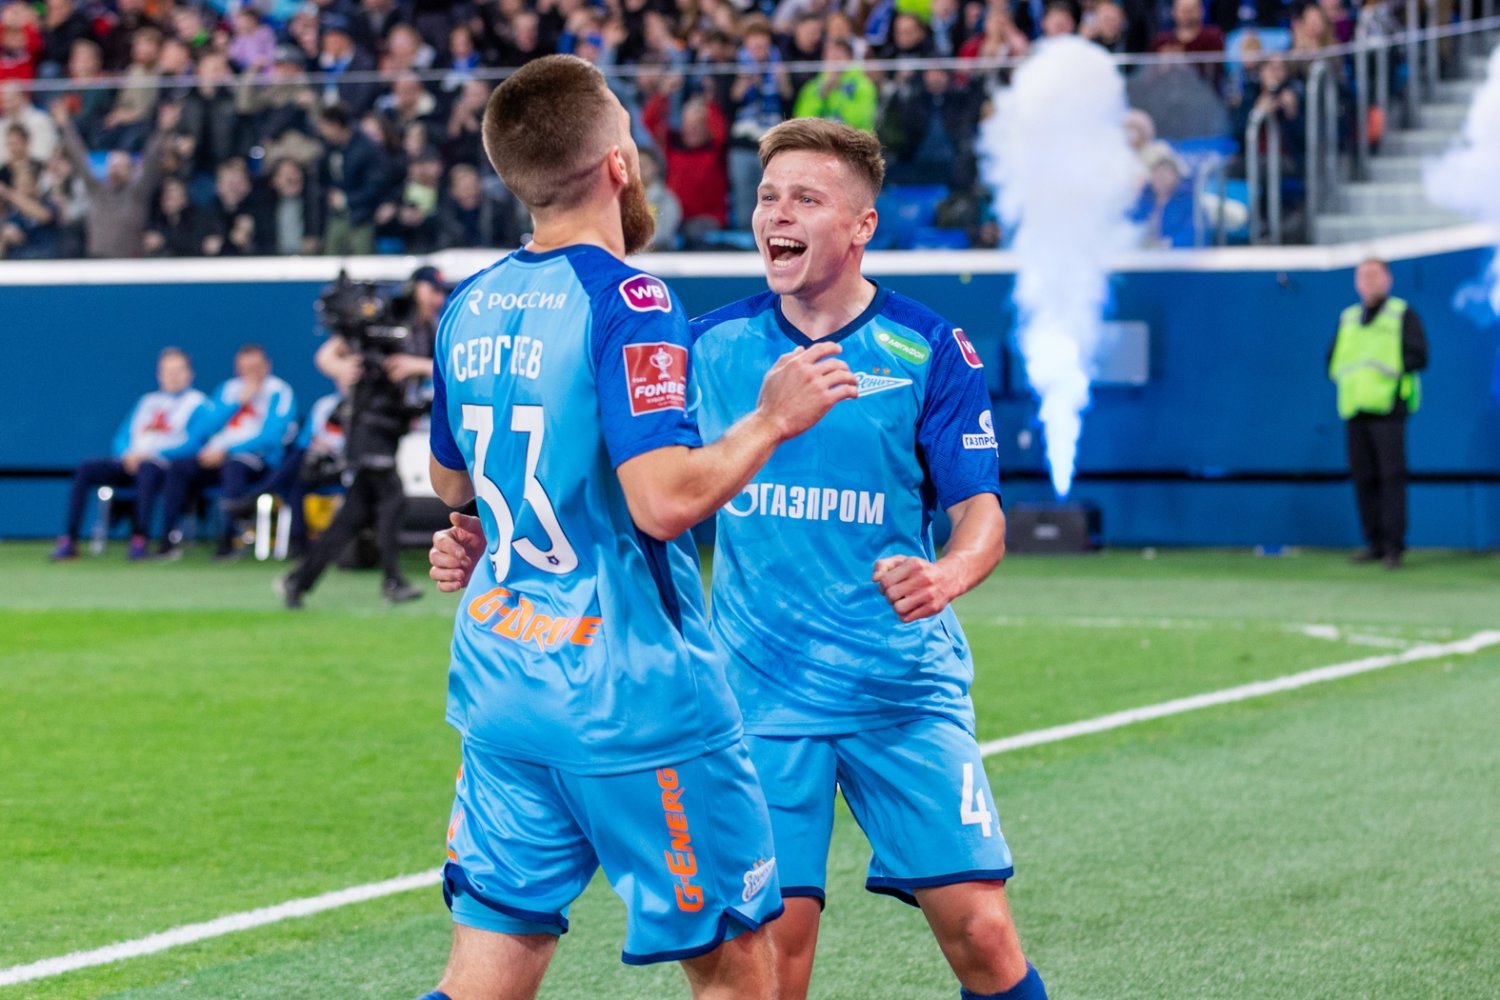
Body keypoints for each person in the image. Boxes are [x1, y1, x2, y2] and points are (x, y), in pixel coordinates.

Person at [431, 118, 1048, 1000]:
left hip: (901, 692)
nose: (776, 214)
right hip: (759, 697)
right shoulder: (703, 345)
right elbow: (604, 476)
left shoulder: (928, 349)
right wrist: (494, 534)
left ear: (863, 225)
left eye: (806, 198)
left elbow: (981, 512)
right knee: (773, 955)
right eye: (767, 197)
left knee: (982, 934)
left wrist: (947, 574)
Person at [411, 56, 858, 1000]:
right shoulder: (629, 299)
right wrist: (771, 420)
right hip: (630, 693)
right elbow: (664, 502)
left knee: (491, 961)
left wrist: (491, 524)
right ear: (618, 164)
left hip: (501, 680)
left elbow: (453, 480)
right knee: (735, 963)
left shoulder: (469, 302)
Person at [276, 266, 443, 607]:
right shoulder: (390, 315)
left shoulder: (432, 327)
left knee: (353, 516)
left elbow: (445, 365)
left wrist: (416, 365)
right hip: (367, 424)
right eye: (432, 290)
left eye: (441, 292)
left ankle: (298, 580)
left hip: (392, 425)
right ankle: (392, 580)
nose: (437, 298)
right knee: (393, 500)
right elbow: (326, 355)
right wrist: (343, 369)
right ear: (416, 288)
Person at [50, 348, 207, 562]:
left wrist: (152, 454)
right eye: (167, 371)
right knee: (86, 468)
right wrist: (126, 454)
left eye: (178, 371)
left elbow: (195, 444)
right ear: (159, 374)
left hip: (166, 468)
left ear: (189, 374)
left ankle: (139, 539)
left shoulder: (199, 403)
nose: (172, 376)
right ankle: (69, 539)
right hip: (131, 462)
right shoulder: (147, 401)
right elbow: (122, 436)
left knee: (148, 469)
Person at [1327, 257, 1428, 569]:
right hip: (1354, 407)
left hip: (1388, 408)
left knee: (1391, 477)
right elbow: (1333, 359)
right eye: (1363, 276)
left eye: (1374, 275)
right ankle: (1374, 542)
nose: (1368, 281)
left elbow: (1419, 356)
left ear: (1388, 279)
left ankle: (1394, 546)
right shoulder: (1348, 318)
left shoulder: (1401, 313)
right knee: (1363, 477)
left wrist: (1385, 375)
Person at [157, 343, 296, 559]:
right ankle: (167, 542)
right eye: (245, 368)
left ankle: (228, 541)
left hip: (257, 461)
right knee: (179, 469)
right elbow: (204, 428)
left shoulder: (279, 391)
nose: (250, 373)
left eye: (256, 368)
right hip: (217, 458)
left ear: (267, 366)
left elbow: (272, 437)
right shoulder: (228, 390)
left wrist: (228, 451)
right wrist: (237, 403)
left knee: (234, 467)